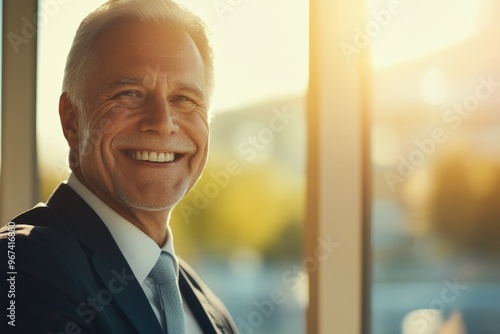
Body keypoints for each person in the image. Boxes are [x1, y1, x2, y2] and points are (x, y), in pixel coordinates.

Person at [0, 0, 238, 333]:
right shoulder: (20, 265)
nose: (162, 122)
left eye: (184, 98)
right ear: (71, 120)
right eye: (130, 93)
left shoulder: (210, 310)